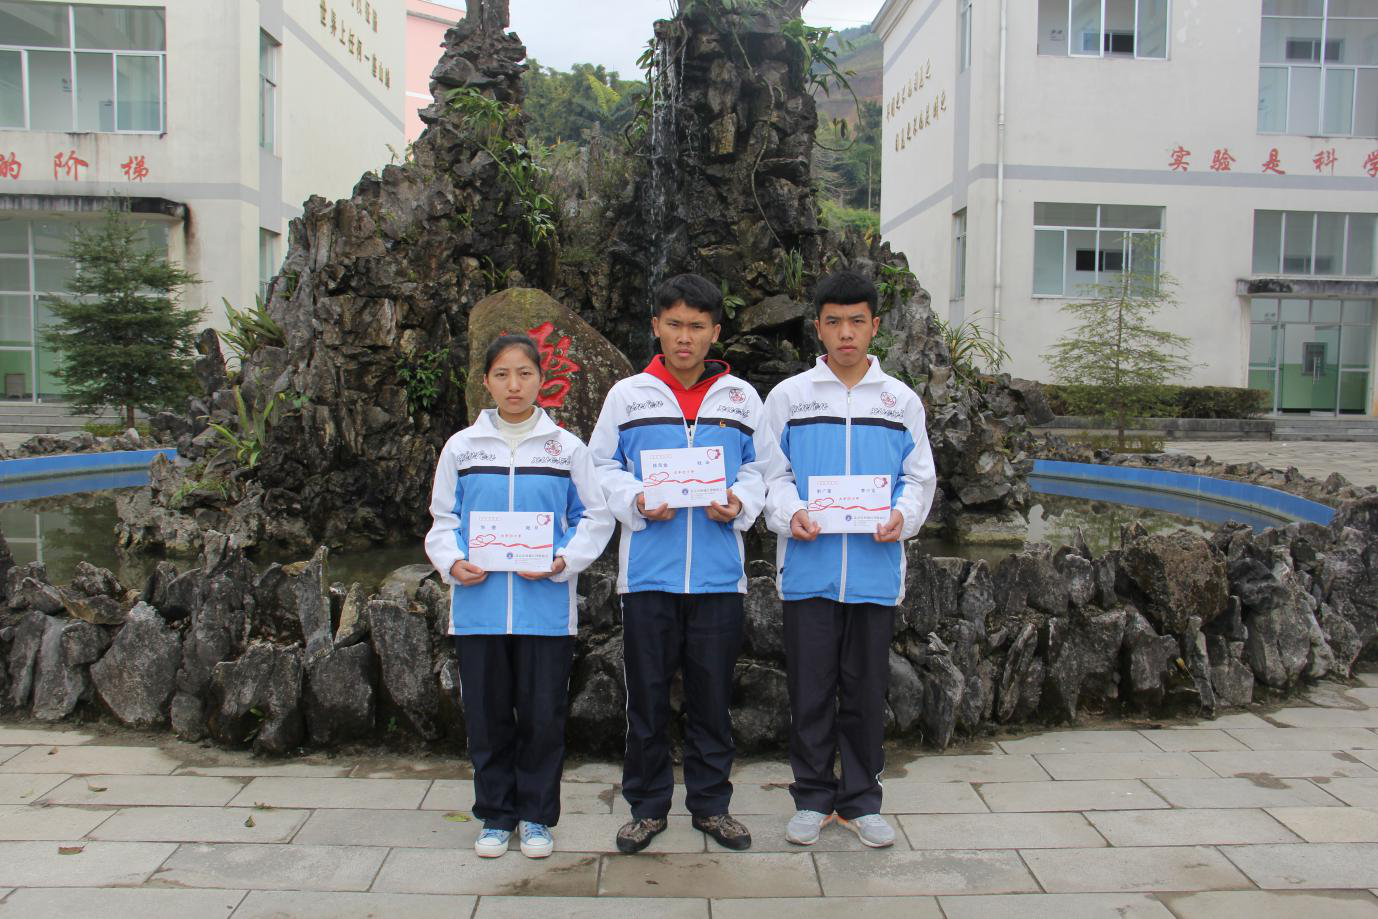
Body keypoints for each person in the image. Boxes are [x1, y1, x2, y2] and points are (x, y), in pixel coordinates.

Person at [589, 273, 774, 854]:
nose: (685, 337)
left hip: (718, 576)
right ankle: (646, 808)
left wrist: (740, 502)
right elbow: (600, 468)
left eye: (697, 326)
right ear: (656, 327)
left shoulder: (741, 398)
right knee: (645, 697)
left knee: (712, 696)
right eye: (674, 324)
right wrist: (636, 500)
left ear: (715, 331)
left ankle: (712, 806)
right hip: (648, 574)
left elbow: (763, 469)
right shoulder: (628, 396)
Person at [760, 270, 937, 848]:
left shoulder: (899, 401)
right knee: (810, 691)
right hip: (808, 571)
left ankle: (861, 800)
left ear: (874, 326)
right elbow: (772, 473)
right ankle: (812, 797)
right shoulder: (790, 398)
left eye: (857, 321)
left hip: (873, 571)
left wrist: (903, 516)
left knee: (864, 691)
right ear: (818, 327)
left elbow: (919, 477)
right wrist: (791, 512)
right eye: (834, 321)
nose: (845, 333)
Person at [425, 333, 614, 860]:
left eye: (525, 373)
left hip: (544, 609)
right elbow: (443, 520)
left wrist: (564, 560)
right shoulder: (462, 448)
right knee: (486, 718)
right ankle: (495, 815)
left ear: (541, 380)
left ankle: (535, 817)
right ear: (486, 382)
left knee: (542, 717)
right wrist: (451, 561)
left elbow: (593, 517)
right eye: (503, 374)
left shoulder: (566, 449)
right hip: (479, 608)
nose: (514, 385)